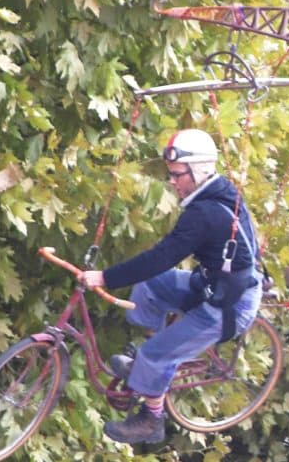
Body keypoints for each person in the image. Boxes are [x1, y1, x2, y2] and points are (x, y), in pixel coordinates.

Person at [79, 128, 261, 444]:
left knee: (154, 355)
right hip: (212, 284)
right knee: (150, 287)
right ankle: (152, 358)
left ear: (199, 171)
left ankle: (152, 420)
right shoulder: (216, 192)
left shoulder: (205, 214)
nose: (173, 182)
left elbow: (162, 257)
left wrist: (105, 277)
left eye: (178, 175)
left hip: (228, 305)